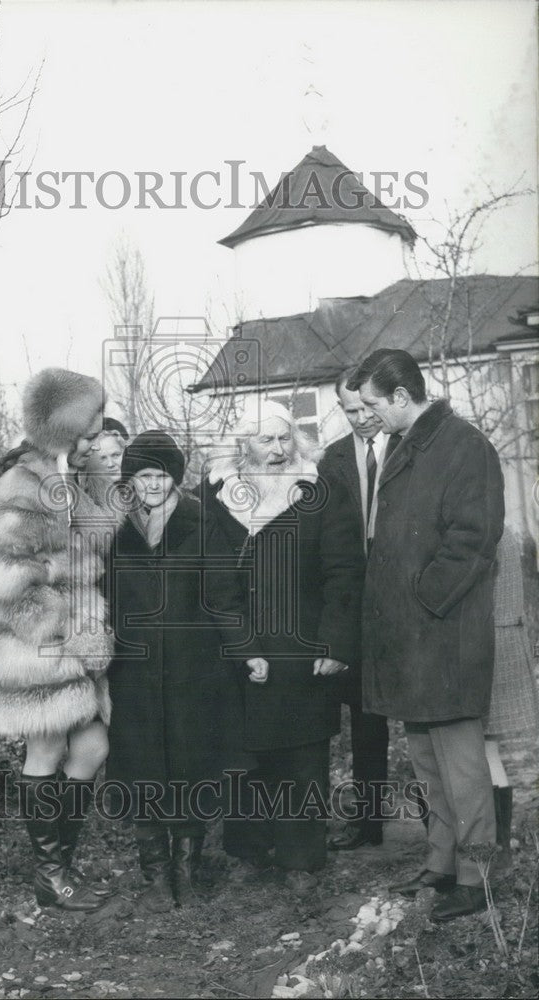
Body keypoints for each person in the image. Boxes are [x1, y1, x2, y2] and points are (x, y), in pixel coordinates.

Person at [347, 349, 505, 922]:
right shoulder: (405, 444)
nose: (365, 415)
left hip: (444, 635)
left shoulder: (464, 445)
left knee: (461, 764)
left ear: (400, 396)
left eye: (371, 404)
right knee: (426, 759)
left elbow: (474, 537)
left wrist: (423, 600)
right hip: (411, 640)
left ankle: (478, 876)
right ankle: (441, 862)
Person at [200, 398, 366, 891]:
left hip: (302, 645)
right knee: (243, 757)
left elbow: (344, 573)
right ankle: (248, 852)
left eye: (284, 437)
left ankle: (301, 859)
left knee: (302, 757)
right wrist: (241, 645)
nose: (277, 449)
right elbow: (214, 581)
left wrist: (335, 644)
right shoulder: (216, 494)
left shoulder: (320, 489)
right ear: (243, 446)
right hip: (239, 645)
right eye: (265, 440)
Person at [106, 431, 266, 910]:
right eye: (143, 475)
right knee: (143, 773)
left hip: (193, 673)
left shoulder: (202, 522)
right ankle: (157, 879)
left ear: (175, 477)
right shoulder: (115, 530)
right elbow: (101, 599)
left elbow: (223, 596)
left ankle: (186, 873)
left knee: (191, 771)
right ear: (130, 480)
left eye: (161, 475)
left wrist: (247, 651)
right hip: (133, 673)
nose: (153, 485)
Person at [0, 368, 115, 912]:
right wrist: (69, 633)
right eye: (87, 435)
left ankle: (61, 866)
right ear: (62, 432)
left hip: (78, 647)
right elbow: (11, 586)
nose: (95, 444)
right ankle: (51, 876)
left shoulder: (76, 481)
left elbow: (97, 549)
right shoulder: (22, 486)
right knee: (48, 748)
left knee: (93, 747)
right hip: (37, 649)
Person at [318, 372, 398, 850]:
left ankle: (443, 823)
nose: (363, 418)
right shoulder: (330, 461)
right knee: (365, 719)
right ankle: (369, 824)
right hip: (352, 606)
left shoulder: (408, 448)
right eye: (352, 411)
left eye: (369, 408)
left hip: (402, 604)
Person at [483, 525, 539, 867]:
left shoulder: (488, 531)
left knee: (483, 750)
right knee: (489, 751)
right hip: (507, 640)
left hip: (492, 646)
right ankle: (500, 845)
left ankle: (497, 845)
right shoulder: (504, 530)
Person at [79, 429, 125, 508]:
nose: (110, 464)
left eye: (115, 455)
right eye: (102, 458)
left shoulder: (142, 489)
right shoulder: (90, 501)